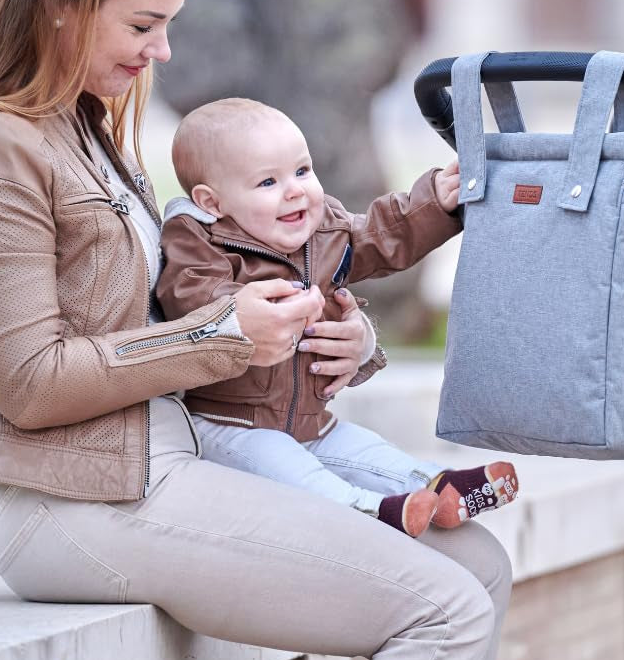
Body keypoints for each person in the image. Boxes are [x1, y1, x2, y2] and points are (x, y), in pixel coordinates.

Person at [0, 0, 512, 660]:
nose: (161, 53)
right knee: (441, 607)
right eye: (141, 24)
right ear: (59, 3)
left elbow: (207, 292)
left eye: (168, 24)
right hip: (76, 505)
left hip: (175, 462)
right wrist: (223, 336)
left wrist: (346, 347)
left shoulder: (88, 133)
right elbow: (29, 383)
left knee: (478, 565)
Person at [157, 97, 519, 537]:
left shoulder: (323, 230)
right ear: (212, 202)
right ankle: (369, 510)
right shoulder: (200, 242)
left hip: (311, 422)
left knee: (366, 450)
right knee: (292, 471)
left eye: (302, 171)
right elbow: (193, 294)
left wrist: (435, 203)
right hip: (228, 425)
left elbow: (381, 235)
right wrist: (251, 309)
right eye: (268, 181)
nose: (294, 190)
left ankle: (439, 487)